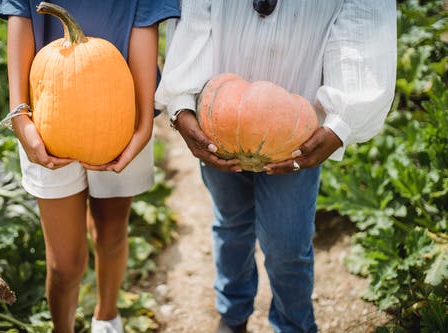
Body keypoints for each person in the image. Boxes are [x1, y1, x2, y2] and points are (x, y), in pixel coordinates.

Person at [155, 1, 397, 332]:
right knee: (230, 224)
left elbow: (362, 20)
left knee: (287, 246)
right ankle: (232, 312)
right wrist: (181, 105)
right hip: (220, 120)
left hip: (295, 135)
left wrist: (340, 124)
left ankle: (293, 324)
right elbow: (195, 15)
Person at [0, 1, 180, 333]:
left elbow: (144, 18)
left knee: (111, 233)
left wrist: (143, 128)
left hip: (120, 116)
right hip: (46, 117)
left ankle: (107, 317)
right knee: (64, 264)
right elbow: (22, 12)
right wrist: (20, 116)